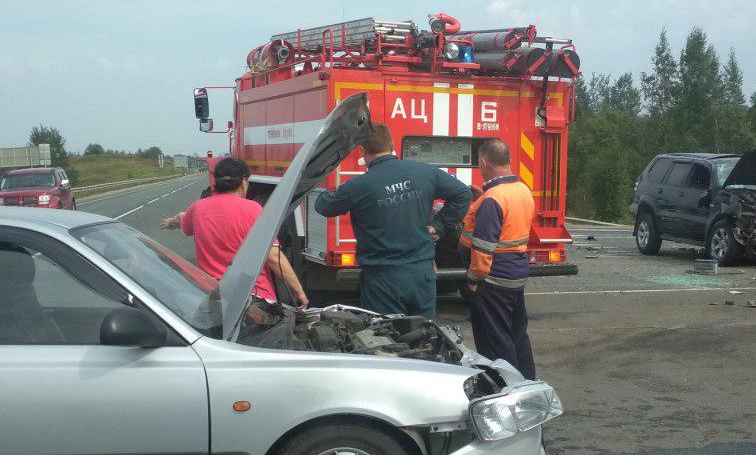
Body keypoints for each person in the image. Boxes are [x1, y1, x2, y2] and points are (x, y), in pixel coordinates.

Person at [314, 123, 470, 318]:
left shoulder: (358, 186)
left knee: (387, 341)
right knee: (425, 337)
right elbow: (463, 194)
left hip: (383, 281)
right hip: (422, 276)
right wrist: (438, 225)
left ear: (363, 151)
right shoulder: (424, 172)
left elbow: (322, 206)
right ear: (392, 144)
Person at [160, 156, 309, 308]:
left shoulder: (198, 208)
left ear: (216, 182)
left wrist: (170, 222)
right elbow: (273, 256)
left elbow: (182, 219)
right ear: (244, 182)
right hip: (254, 298)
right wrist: (298, 290)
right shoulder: (253, 209)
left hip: (215, 297)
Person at [460, 138, 536, 379]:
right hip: (516, 275)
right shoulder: (522, 190)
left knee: (495, 341)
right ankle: (527, 381)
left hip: (493, 280)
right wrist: (482, 197)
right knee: (517, 334)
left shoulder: (492, 200)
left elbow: (482, 251)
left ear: (484, 163)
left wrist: (472, 280)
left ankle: (505, 388)